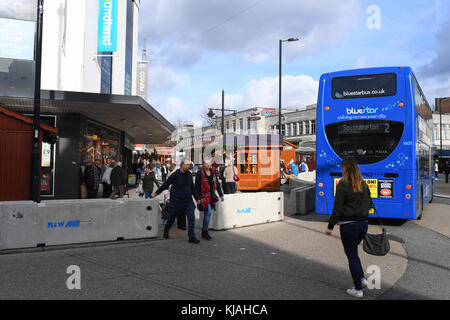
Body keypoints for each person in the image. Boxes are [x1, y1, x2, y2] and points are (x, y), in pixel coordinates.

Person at [325, 157, 371, 299]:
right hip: (363, 224)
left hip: (349, 226)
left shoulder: (342, 184)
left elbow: (337, 208)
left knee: (351, 256)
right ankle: (362, 279)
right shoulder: (364, 184)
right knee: (354, 254)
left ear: (345, 168)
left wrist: (330, 226)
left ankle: (358, 289)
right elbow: (369, 204)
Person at [152, 158, 201, 243]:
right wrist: (156, 193)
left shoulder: (189, 174)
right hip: (177, 201)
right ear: (182, 164)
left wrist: (197, 198)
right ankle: (166, 230)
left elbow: (192, 188)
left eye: (189, 164)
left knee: (191, 218)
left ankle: (191, 237)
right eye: (187, 164)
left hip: (188, 201)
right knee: (171, 218)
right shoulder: (175, 175)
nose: (189, 166)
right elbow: (165, 184)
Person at [195, 159, 224, 240]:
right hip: (204, 196)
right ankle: (205, 231)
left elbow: (217, 184)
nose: (207, 165)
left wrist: (221, 195)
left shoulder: (213, 172)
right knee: (208, 212)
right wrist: (197, 198)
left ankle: (204, 230)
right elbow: (196, 187)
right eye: (205, 163)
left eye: (208, 163)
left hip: (211, 195)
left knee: (208, 213)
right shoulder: (200, 173)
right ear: (203, 164)